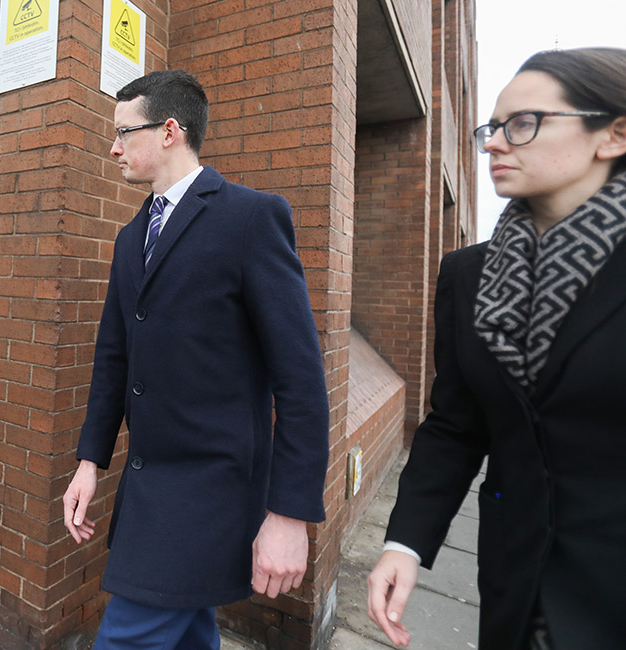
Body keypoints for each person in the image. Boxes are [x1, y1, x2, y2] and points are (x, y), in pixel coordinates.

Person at [367, 47, 626, 650]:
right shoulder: (467, 274)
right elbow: (457, 425)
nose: (493, 144)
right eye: (492, 128)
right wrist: (404, 543)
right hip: (515, 593)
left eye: (524, 123)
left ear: (612, 134)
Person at [62, 69, 330, 649]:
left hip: (212, 489)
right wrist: (90, 460)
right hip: (147, 487)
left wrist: (289, 514)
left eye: (122, 132)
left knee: (127, 638)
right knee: (188, 632)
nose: (112, 148)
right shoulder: (130, 239)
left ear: (169, 131)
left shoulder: (250, 218)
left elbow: (301, 378)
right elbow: (113, 358)